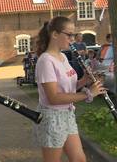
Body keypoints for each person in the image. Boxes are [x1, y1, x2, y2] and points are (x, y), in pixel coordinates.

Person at [34, 16, 106, 162]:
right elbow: (53, 97)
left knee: (79, 159)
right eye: (69, 35)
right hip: (52, 118)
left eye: (74, 34)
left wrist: (84, 81)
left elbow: (69, 87)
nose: (72, 39)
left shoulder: (62, 57)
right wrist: (88, 94)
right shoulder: (46, 61)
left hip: (67, 115)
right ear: (54, 34)